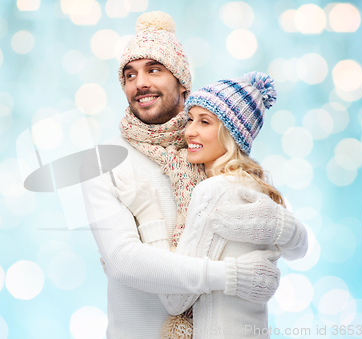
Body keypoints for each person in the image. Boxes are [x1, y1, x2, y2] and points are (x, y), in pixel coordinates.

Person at [81, 11, 299, 339]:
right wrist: (230, 276)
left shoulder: (210, 150)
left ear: (182, 82)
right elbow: (124, 260)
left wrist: (281, 226)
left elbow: (278, 237)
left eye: (154, 69)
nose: (139, 82)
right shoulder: (102, 161)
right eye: (129, 75)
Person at [116, 71, 308, 338]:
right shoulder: (256, 187)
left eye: (205, 122)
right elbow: (299, 248)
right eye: (190, 119)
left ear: (232, 135)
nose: (190, 131)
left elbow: (174, 298)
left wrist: (148, 216)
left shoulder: (214, 190)